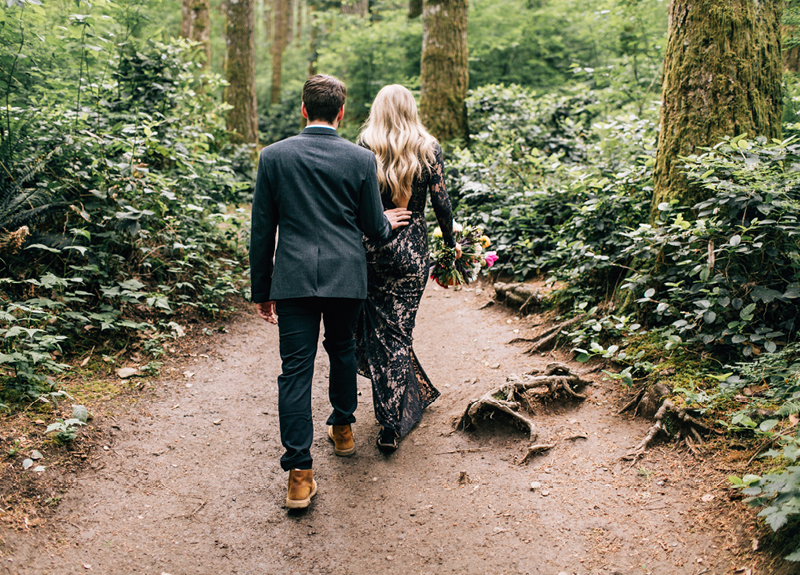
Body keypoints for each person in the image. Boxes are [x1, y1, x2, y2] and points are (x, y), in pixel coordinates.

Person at [250, 74, 411, 509]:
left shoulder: (273, 157)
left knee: (295, 371)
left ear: (303, 109)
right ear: (341, 112)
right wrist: (388, 222)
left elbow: (263, 230)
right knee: (341, 350)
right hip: (346, 278)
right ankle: (342, 429)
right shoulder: (360, 159)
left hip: (293, 279)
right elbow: (374, 231)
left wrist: (261, 289)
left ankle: (299, 475)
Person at [355, 84, 460, 453]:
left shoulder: (365, 147)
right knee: (396, 335)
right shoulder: (428, 148)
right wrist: (451, 246)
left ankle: (397, 411)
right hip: (412, 253)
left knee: (380, 334)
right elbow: (442, 204)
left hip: (374, 249)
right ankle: (394, 419)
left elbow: (354, 204)